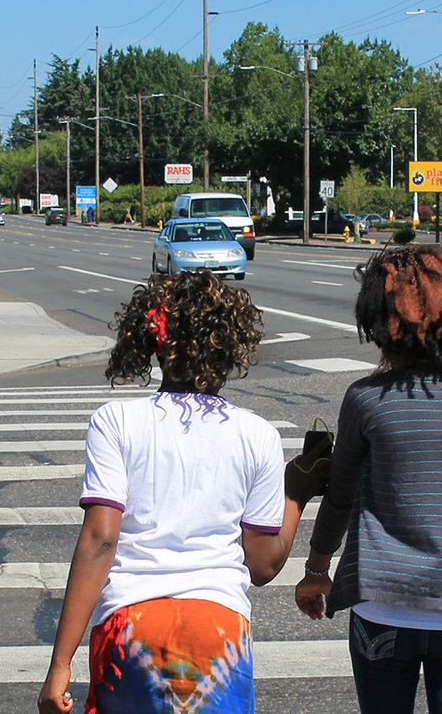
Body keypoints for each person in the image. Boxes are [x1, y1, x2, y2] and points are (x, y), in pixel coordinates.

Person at [38, 270, 329, 714]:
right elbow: (262, 563)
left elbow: (101, 539)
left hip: (129, 626)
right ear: (232, 348)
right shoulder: (258, 435)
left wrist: (60, 664)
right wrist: (297, 495)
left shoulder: (115, 422)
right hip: (218, 630)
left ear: (154, 344)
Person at [294, 245, 442, 714]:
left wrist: (317, 570)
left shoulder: (366, 400)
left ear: (383, 320)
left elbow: (340, 498)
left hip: (381, 614)